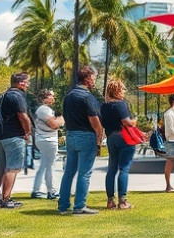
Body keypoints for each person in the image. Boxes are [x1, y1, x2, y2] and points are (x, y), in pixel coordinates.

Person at [57, 67, 103, 215]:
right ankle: (79, 206)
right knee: (84, 173)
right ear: (88, 78)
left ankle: (63, 206)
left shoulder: (69, 95)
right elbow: (94, 119)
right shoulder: (87, 97)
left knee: (69, 172)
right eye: (94, 77)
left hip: (71, 135)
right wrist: (99, 136)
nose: (94, 80)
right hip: (86, 136)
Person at [0, 72, 31, 209]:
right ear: (21, 83)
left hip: (1, 136)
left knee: (0, 167)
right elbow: (23, 116)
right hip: (14, 136)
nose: (28, 84)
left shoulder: (4, 95)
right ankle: (6, 199)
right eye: (27, 82)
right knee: (12, 168)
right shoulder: (17, 95)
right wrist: (27, 132)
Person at [101, 77, 138, 210]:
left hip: (111, 138)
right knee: (124, 169)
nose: (123, 91)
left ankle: (110, 201)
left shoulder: (103, 106)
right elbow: (126, 122)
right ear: (116, 90)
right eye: (122, 89)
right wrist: (134, 122)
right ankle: (122, 201)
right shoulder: (120, 104)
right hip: (124, 137)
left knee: (112, 169)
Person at [32, 89, 65, 199]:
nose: (53, 98)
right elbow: (54, 125)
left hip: (45, 139)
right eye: (51, 96)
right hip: (48, 140)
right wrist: (61, 119)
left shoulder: (46, 109)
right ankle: (52, 191)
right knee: (51, 166)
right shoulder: (43, 109)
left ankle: (36, 190)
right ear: (44, 98)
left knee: (44, 165)